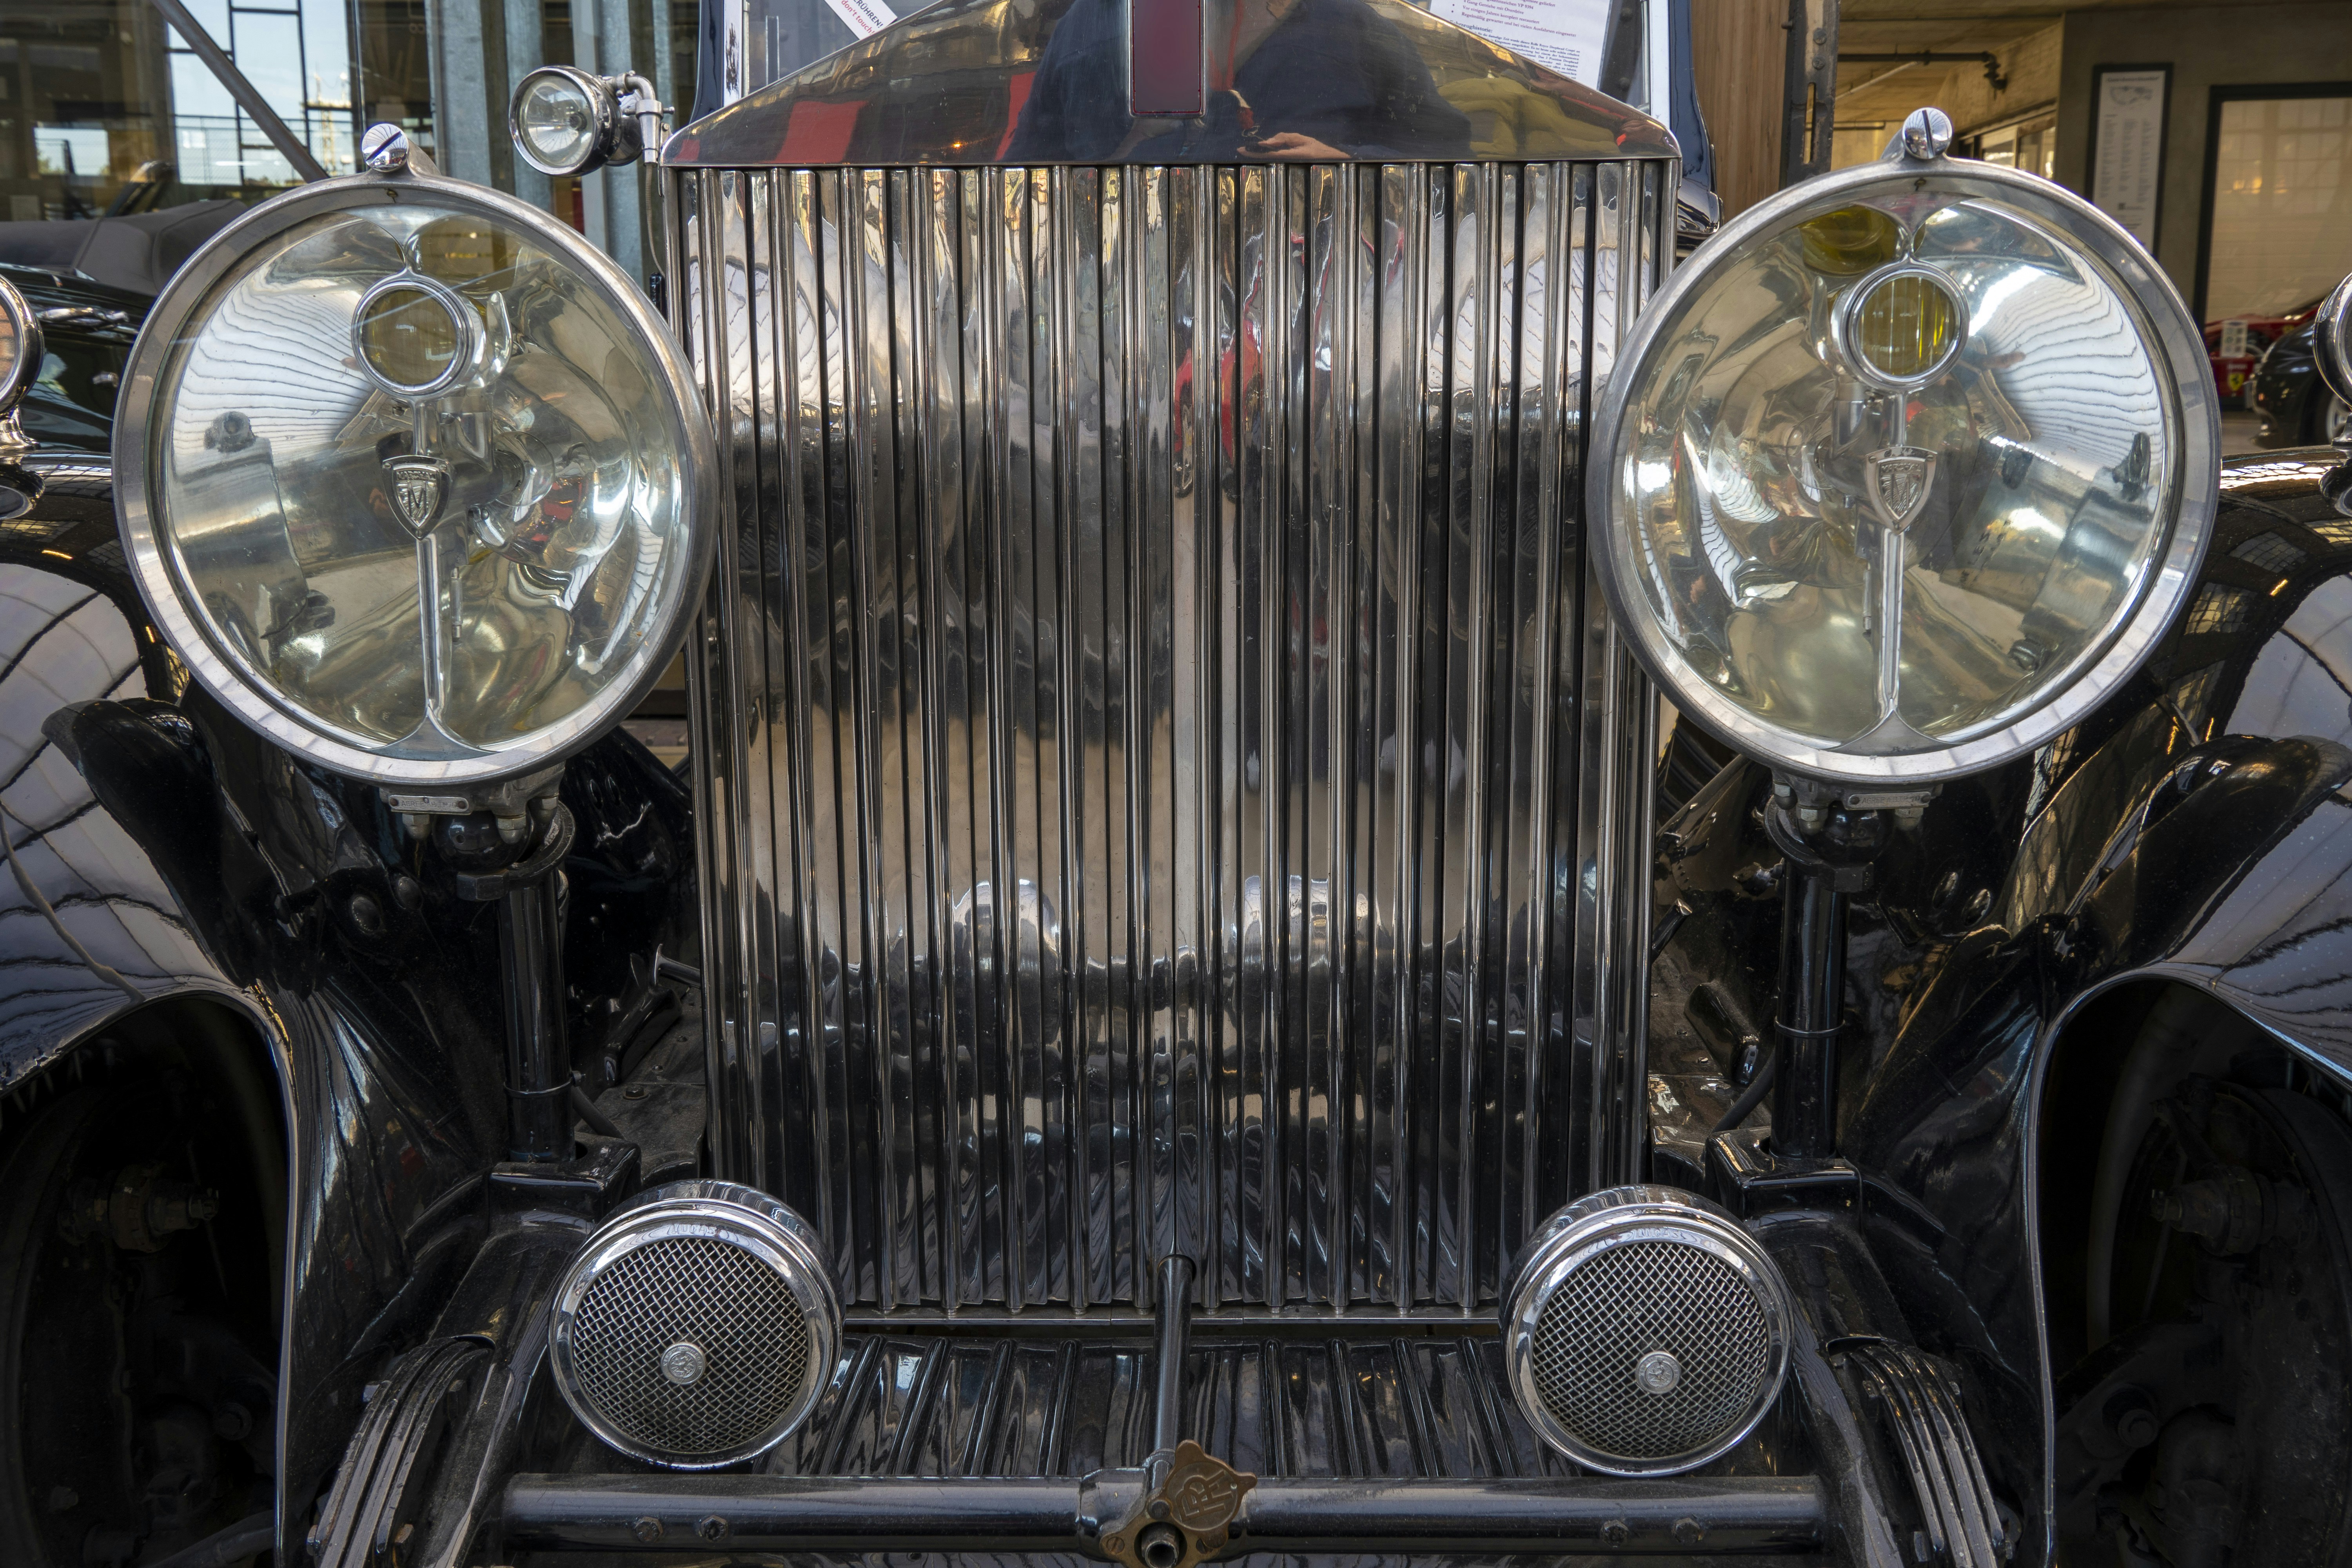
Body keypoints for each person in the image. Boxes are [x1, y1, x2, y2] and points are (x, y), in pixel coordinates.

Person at [1004, 0, 1472, 162]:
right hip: (1127, 319)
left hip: (1311, 323)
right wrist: (1127, 153)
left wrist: (1351, 166)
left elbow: (1452, 159)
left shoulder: (1351, 28)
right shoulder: (1089, 27)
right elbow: (1020, 182)